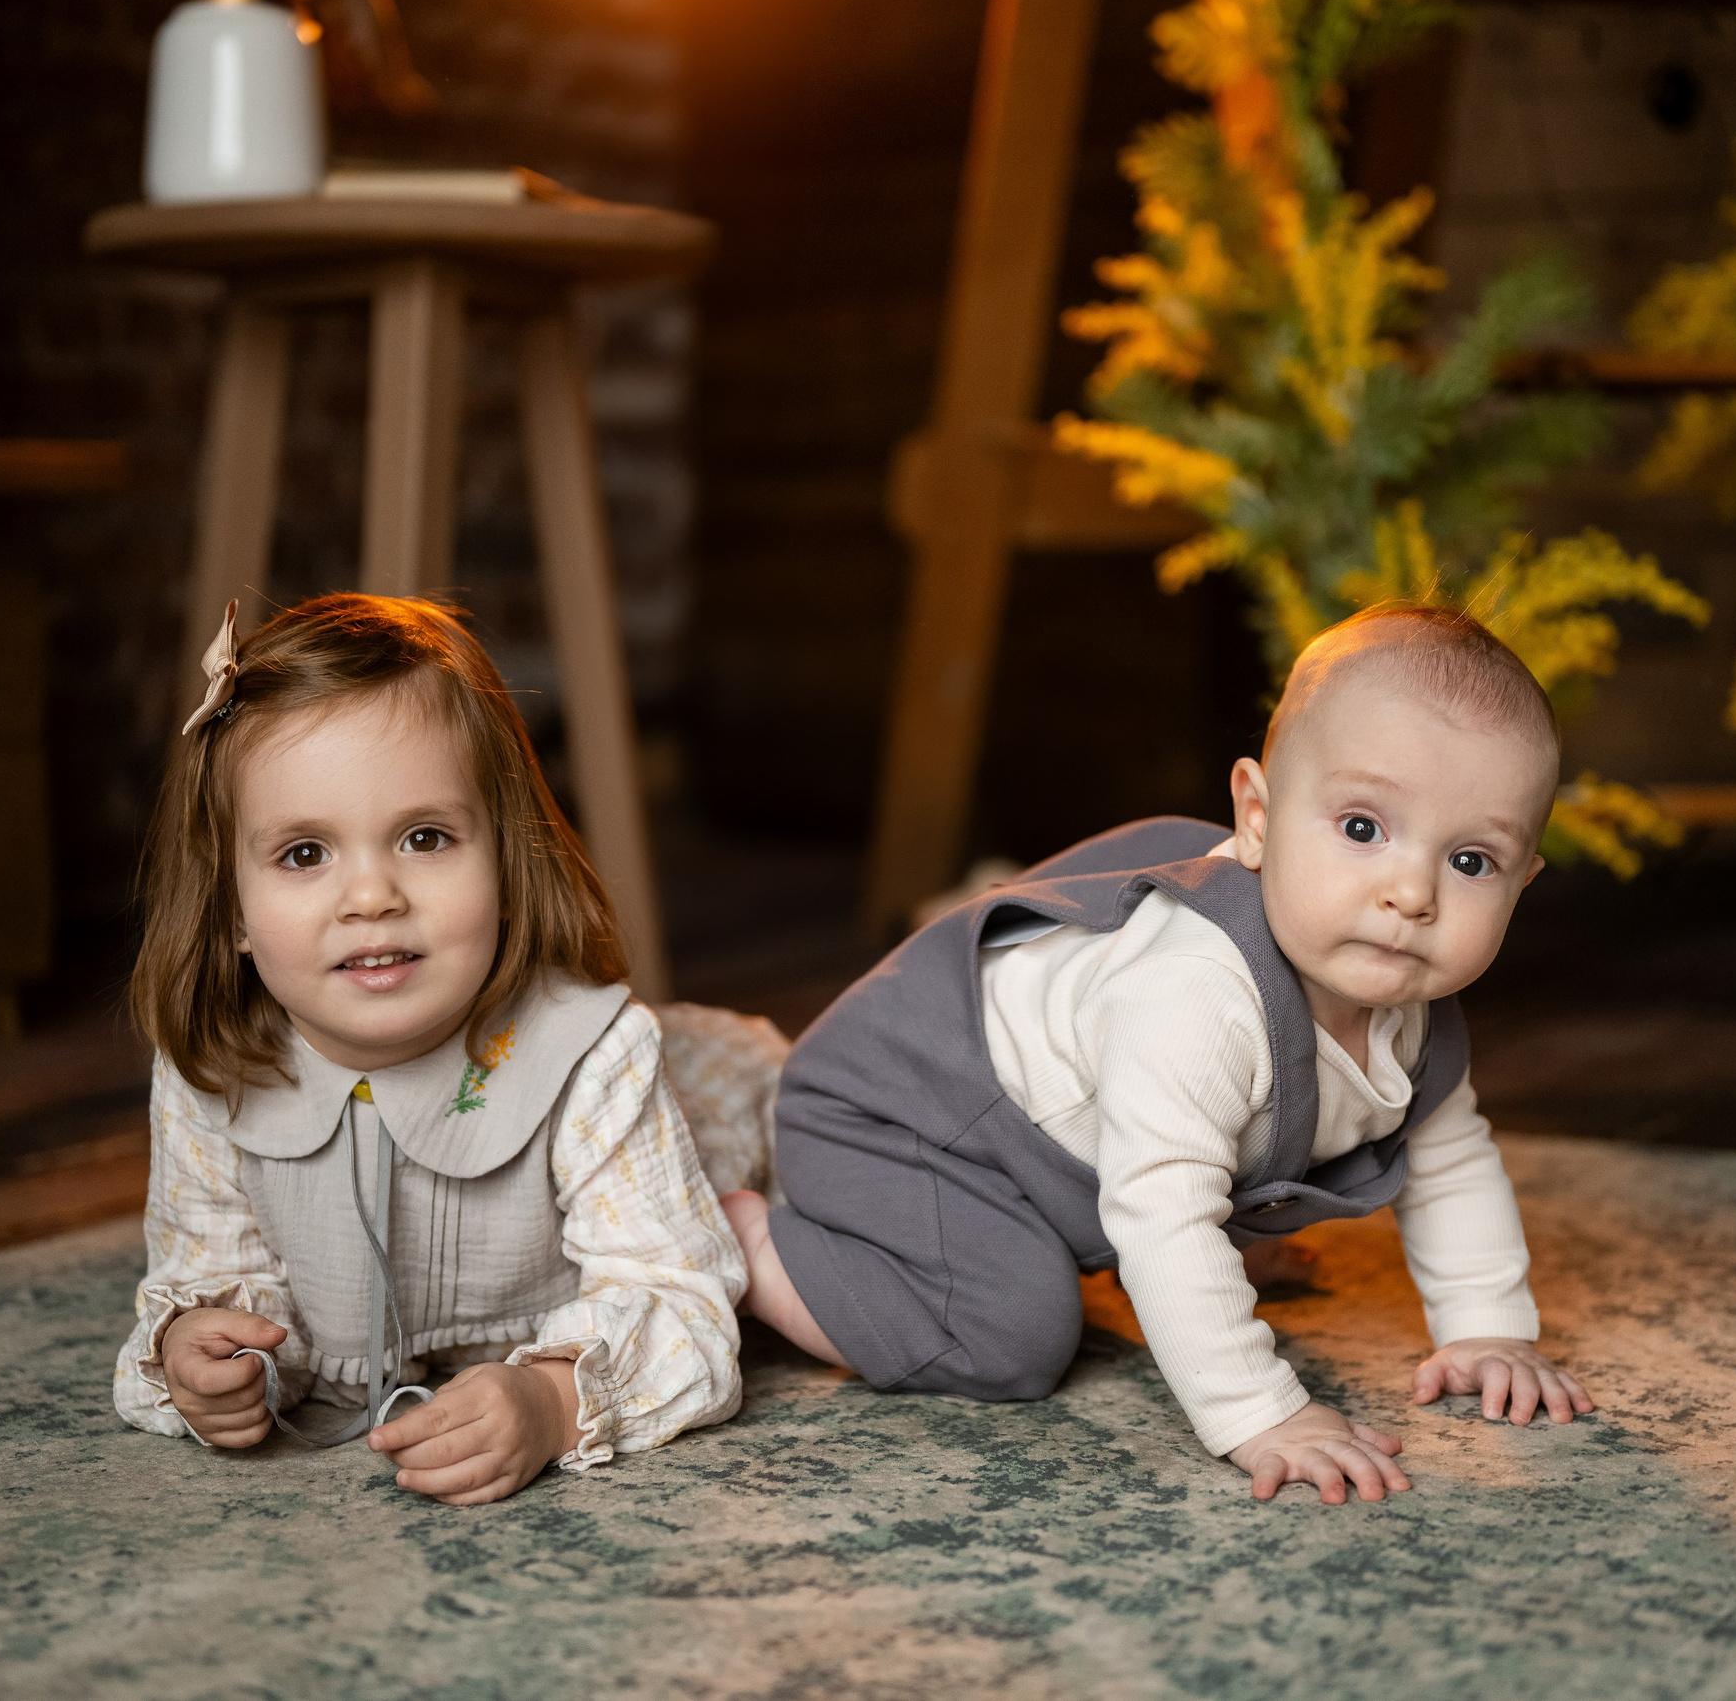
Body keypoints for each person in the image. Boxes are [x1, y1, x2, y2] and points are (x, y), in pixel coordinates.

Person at [721, 604, 1594, 1506]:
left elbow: (1448, 1160)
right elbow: (1161, 1210)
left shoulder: (1412, 1008)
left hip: (1066, 1148)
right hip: (907, 1114)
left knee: (1199, 1181)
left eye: (1471, 861)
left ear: (1523, 881)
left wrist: (1488, 1328)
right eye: (1363, 828)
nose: (1411, 893)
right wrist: (1261, 1412)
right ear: (1257, 818)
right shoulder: (1197, 992)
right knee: (1010, 1332)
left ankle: (1151, 1252)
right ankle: (758, 1246)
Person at [111, 592, 750, 1505]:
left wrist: (555, 1399)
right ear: (231, 909)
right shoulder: (211, 1070)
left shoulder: (593, 1057)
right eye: (304, 854)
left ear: (508, 863)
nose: (372, 895)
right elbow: (208, 1274)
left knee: (789, 1137)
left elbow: (683, 1302)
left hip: (728, 1088)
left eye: (425, 837)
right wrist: (203, 1354)